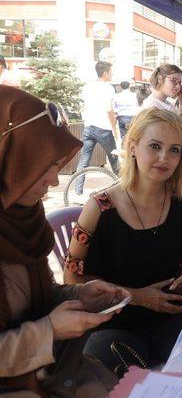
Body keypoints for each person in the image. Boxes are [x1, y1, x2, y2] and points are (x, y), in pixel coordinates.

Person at [63, 108, 182, 372]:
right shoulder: (100, 208)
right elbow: (72, 280)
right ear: (133, 146)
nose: (164, 158)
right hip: (112, 325)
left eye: (174, 150)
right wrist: (136, 297)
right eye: (155, 146)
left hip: (170, 320)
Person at [0, 85, 131, 397]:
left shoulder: (21, 218)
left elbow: (31, 297)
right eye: (39, 167)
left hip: (53, 370)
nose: (54, 181)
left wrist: (80, 294)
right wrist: (49, 331)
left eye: (55, 166)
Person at [74, 61, 120, 195]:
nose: (112, 74)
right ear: (105, 73)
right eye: (111, 72)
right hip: (103, 128)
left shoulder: (88, 87)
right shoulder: (108, 88)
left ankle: (77, 191)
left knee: (84, 160)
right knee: (115, 160)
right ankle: (125, 188)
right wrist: (114, 129)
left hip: (88, 127)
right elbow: (109, 110)